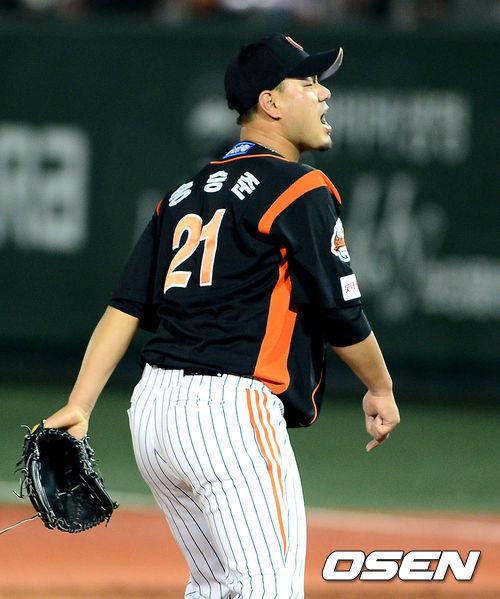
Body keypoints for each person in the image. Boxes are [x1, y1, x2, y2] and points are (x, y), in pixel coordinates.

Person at [44, 33, 400, 599]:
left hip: (153, 414)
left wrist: (81, 403)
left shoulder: (184, 194)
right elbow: (339, 309)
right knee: (267, 587)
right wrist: (379, 386)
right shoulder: (300, 187)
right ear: (271, 103)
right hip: (230, 413)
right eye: (309, 83)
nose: (324, 94)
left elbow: (125, 306)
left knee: (214, 588)